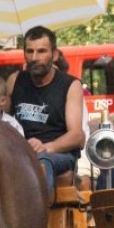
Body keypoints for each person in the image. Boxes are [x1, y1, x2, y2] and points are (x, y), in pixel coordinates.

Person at [7, 26, 86, 195]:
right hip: (20, 151)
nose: (34, 57)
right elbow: (1, 120)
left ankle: (38, 218)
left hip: (57, 154)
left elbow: (77, 136)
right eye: (29, 51)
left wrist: (45, 147)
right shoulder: (15, 80)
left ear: (55, 54)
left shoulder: (70, 85)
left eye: (41, 51)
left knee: (41, 162)